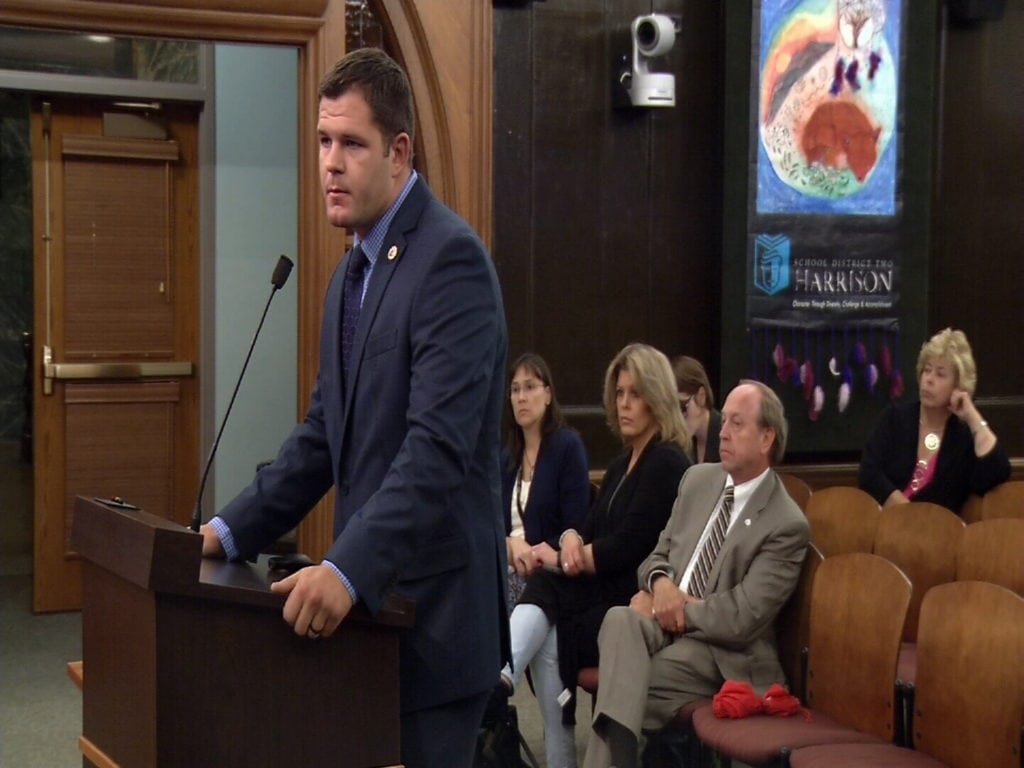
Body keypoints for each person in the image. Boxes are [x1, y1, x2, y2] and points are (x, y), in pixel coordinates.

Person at [198, 48, 508, 768]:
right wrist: (223, 531)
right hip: (370, 617)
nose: (331, 163)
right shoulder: (349, 274)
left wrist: (343, 570)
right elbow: (320, 439)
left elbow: (435, 452)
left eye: (352, 144)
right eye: (322, 141)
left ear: (399, 153)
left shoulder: (450, 263)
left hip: (433, 622)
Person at [582, 380, 810, 768]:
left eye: (737, 424)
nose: (722, 431)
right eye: (725, 421)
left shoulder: (786, 524)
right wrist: (661, 583)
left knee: (627, 680)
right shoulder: (697, 480)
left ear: (766, 437)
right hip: (664, 621)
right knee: (618, 620)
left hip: (720, 650)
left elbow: (742, 618)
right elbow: (656, 555)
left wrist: (674, 610)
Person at [497, 343, 692, 768]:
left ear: (657, 397)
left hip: (630, 599)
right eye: (619, 393)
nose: (623, 404)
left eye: (634, 394)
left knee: (549, 600)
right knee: (548, 602)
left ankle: (504, 672)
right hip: (599, 592)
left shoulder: (667, 461)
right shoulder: (624, 462)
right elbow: (590, 524)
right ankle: (548, 740)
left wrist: (576, 555)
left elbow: (630, 544)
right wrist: (569, 538)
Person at [859, 327, 1010, 514]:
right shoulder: (895, 419)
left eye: (940, 374)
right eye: (927, 370)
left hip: (938, 537)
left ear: (958, 386)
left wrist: (972, 416)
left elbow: (997, 473)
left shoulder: (962, 438)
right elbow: (869, 473)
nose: (929, 380)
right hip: (886, 528)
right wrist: (907, 514)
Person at [502, 352, 590, 608]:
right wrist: (510, 545)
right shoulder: (506, 458)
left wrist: (530, 552)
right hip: (506, 573)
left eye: (530, 387)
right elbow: (490, 524)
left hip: (548, 579)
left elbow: (575, 526)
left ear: (549, 395)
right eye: (515, 389)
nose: (521, 398)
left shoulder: (567, 447)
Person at [672, 355, 721, 463]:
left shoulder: (726, 435)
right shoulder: (682, 445)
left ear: (701, 396)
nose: (678, 419)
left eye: (682, 407)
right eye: (672, 410)